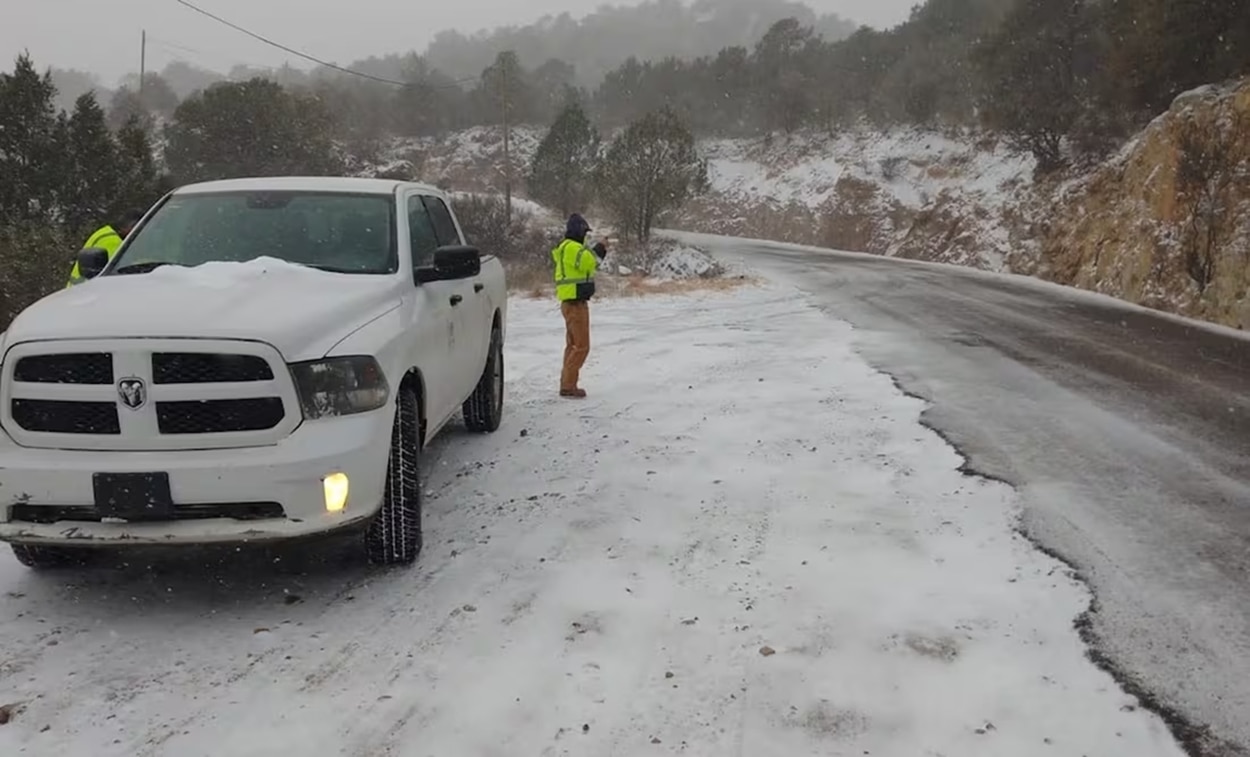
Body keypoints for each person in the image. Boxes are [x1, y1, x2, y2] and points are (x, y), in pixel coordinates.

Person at [552, 213, 608, 398]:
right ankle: (568, 386)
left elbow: (591, 263)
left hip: (571, 302)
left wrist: (599, 250)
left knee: (573, 346)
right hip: (575, 303)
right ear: (579, 231)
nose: (585, 236)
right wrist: (600, 247)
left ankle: (567, 383)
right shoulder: (572, 247)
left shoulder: (567, 247)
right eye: (584, 232)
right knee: (582, 346)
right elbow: (589, 263)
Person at [65, 209, 145, 287]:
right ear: (131, 228)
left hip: (86, 289)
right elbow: (117, 273)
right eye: (140, 230)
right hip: (87, 290)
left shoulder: (108, 232)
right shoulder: (112, 241)